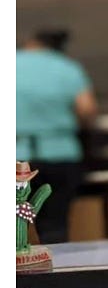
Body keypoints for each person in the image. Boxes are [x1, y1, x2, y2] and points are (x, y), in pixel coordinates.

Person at [16, 29, 96, 242]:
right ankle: (56, 262)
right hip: (60, 154)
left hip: (17, 156)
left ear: (31, 42)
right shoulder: (68, 68)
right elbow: (87, 109)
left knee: (15, 227)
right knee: (55, 224)